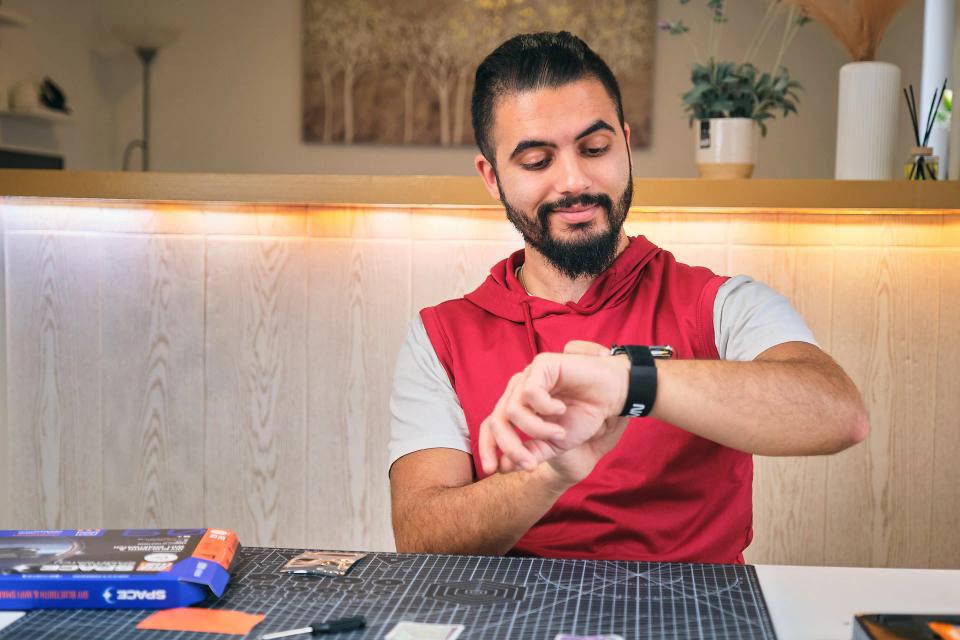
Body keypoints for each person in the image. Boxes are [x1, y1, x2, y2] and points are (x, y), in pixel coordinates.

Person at [388, 31, 868, 563]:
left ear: (625, 144)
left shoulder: (722, 304)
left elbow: (839, 413)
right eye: (536, 161)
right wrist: (551, 474)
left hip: (698, 615)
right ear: (493, 177)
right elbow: (420, 535)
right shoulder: (440, 336)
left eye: (595, 149)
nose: (574, 181)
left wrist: (627, 380)